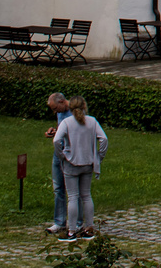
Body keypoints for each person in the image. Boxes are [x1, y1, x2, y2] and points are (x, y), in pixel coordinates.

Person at [54, 96, 108, 240]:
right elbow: (104, 139)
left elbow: (56, 140)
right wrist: (99, 156)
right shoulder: (92, 121)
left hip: (71, 163)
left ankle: (72, 231)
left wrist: (62, 155)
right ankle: (89, 229)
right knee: (86, 195)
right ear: (84, 106)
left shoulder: (67, 122)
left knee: (72, 197)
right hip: (88, 163)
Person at [44, 92, 70, 236]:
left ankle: (76, 222)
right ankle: (59, 222)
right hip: (58, 151)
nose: (55, 112)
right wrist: (54, 132)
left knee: (73, 190)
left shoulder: (75, 111)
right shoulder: (60, 113)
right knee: (58, 187)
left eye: (55, 109)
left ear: (61, 102)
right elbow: (61, 128)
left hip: (70, 153)